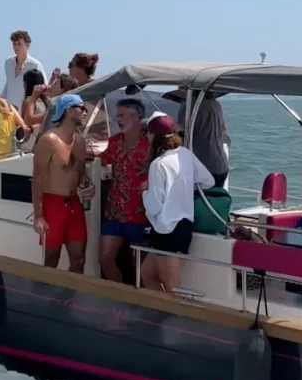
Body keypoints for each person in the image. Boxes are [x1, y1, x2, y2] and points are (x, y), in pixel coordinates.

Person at [140, 113, 214, 293]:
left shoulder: (158, 164)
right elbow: (209, 181)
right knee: (147, 274)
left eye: (148, 132)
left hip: (167, 230)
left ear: (155, 135)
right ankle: (162, 314)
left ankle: (174, 319)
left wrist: (145, 191)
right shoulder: (185, 154)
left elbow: (153, 206)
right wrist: (184, 189)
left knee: (173, 287)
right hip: (183, 226)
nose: (146, 136)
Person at [32, 94, 95, 273]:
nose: (85, 112)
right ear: (69, 110)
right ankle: (44, 297)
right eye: (82, 108)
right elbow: (37, 179)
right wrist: (38, 215)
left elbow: (79, 173)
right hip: (53, 204)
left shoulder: (80, 141)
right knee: (51, 259)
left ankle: (70, 299)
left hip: (74, 203)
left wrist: (87, 184)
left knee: (79, 258)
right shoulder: (49, 140)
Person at [97, 98, 150, 282]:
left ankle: (139, 302)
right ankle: (119, 298)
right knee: (105, 259)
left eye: (122, 115)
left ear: (136, 117)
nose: (118, 119)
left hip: (139, 213)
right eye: (117, 115)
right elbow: (101, 160)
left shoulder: (149, 145)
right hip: (113, 212)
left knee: (139, 267)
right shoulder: (114, 142)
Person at [176, 90, 228, 188]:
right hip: (221, 164)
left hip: (202, 167)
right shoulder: (216, 105)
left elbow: (179, 131)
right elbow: (224, 129)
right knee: (216, 200)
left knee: (198, 202)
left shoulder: (188, 105)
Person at [1, 30, 47, 111]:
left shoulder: (35, 64)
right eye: (14, 44)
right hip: (9, 110)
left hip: (26, 110)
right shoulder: (8, 63)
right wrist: (0, 100)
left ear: (27, 45)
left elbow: (43, 87)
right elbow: (9, 83)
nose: (16, 47)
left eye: (19, 44)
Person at [20, 68, 49, 152]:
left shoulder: (29, 101)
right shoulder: (45, 100)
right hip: (43, 141)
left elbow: (24, 122)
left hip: (31, 143)